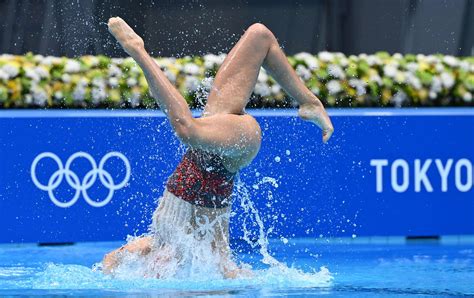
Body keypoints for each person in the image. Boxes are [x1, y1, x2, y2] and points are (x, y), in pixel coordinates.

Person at [102, 17, 334, 279]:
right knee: (258, 36)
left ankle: (137, 50)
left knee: (189, 128)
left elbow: (110, 259)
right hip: (234, 151)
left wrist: (113, 267)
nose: (158, 266)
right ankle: (309, 103)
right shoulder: (209, 259)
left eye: (155, 266)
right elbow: (229, 270)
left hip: (215, 141)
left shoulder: (157, 242)